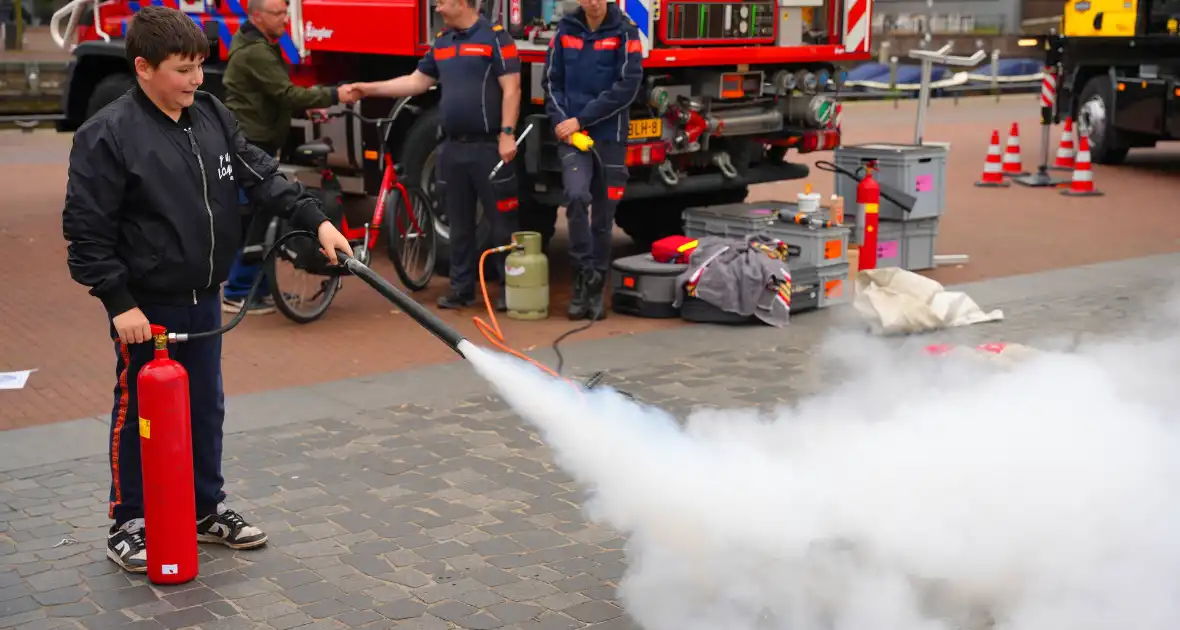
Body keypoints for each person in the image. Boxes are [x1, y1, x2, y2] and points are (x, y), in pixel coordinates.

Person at [61, 5, 353, 574]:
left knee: (204, 406)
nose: (196, 79)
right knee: (139, 411)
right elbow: (86, 231)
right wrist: (120, 303)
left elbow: (261, 173)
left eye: (199, 65)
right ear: (143, 68)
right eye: (182, 69)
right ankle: (129, 522)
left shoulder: (212, 113)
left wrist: (317, 220)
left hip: (204, 295)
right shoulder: (109, 134)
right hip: (146, 305)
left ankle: (204, 508)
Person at [344, 0, 522, 310]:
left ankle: (511, 290)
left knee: (501, 223)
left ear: (464, 3)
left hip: (488, 147)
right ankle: (462, 289)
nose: (438, 9)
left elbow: (512, 89)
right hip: (451, 148)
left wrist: (507, 134)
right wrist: (366, 89)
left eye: (443, 3)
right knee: (459, 223)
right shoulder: (442, 43)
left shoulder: (495, 38)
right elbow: (416, 82)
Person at [220, 0, 359, 315]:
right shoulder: (255, 51)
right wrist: (334, 94)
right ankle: (240, 292)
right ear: (257, 16)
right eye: (278, 13)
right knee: (255, 219)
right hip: (252, 144)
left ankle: (258, 288)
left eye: (285, 11)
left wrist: (305, 105)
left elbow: (273, 94)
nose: (286, 18)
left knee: (260, 215)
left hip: (256, 140)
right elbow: (285, 93)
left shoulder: (254, 43)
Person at [541, 0, 643, 321]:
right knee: (575, 195)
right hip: (573, 137)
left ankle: (597, 288)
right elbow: (551, 83)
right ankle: (583, 277)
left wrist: (581, 120)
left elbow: (627, 87)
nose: (595, 2)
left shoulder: (626, 33)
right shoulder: (564, 32)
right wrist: (563, 122)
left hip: (608, 137)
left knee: (603, 214)